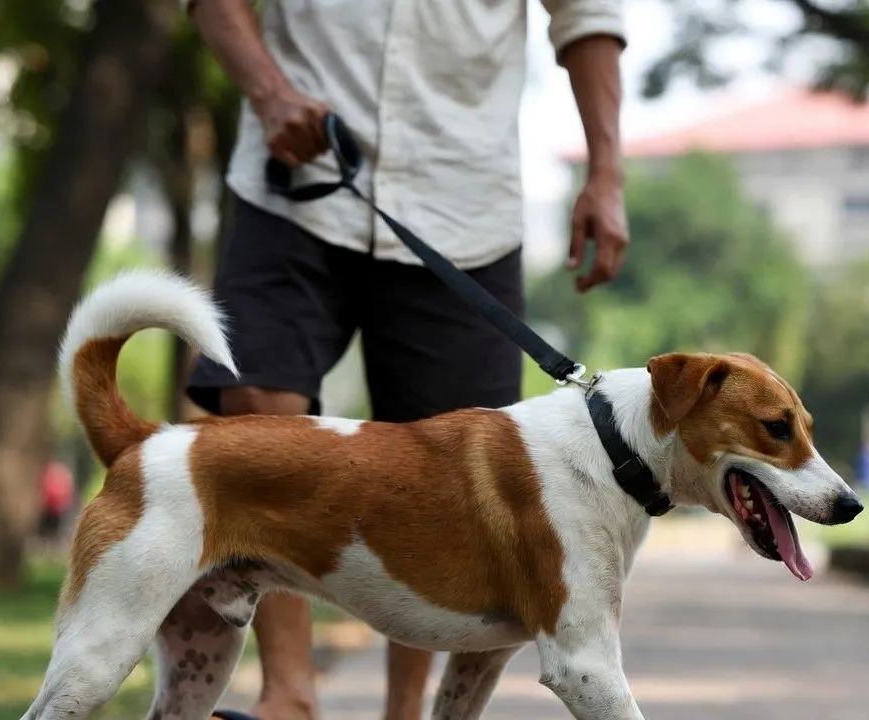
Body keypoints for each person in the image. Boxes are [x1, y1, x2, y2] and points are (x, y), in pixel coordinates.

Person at [182, 1, 630, 719]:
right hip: (295, 178)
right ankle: (288, 695)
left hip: (462, 202)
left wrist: (607, 173)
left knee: (450, 469)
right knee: (257, 403)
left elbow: (587, 15)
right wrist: (267, 91)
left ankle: (405, 712)